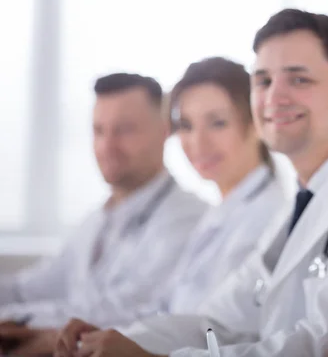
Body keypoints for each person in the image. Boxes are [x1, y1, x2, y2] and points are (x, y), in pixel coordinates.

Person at [53, 9, 328, 357]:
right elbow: (219, 320)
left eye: (299, 79)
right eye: (264, 81)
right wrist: (119, 339)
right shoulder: (300, 203)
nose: (273, 97)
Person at [56, 57, 291, 337]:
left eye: (217, 123)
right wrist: (101, 334)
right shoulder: (222, 214)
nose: (198, 143)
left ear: (256, 123)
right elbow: (166, 308)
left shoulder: (267, 218)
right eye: (187, 125)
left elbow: (222, 331)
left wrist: (128, 343)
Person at [0, 74, 209, 354]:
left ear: (163, 132)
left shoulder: (186, 218)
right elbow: (30, 287)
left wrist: (16, 320)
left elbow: (124, 309)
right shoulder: (98, 219)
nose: (107, 146)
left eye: (124, 130)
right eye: (99, 130)